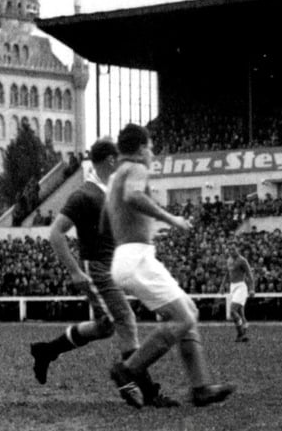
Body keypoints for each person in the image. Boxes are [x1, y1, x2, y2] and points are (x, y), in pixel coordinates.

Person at [29, 139, 177, 407]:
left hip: (112, 267)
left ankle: (46, 351)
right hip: (97, 268)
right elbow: (55, 233)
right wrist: (74, 271)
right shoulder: (84, 195)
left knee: (105, 326)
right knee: (125, 319)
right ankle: (145, 390)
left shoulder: (109, 192)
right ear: (110, 160)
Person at [105, 124, 234, 408]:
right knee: (182, 319)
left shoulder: (115, 176)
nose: (151, 153)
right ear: (141, 149)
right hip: (136, 258)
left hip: (128, 256)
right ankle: (128, 369)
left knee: (188, 310)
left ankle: (201, 387)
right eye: (150, 147)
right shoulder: (136, 168)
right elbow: (134, 196)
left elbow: (112, 216)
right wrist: (171, 219)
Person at [219, 240, 256, 342]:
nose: (231, 251)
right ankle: (243, 330)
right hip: (232, 287)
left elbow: (249, 275)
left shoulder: (242, 260)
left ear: (237, 249)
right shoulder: (229, 260)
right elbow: (227, 274)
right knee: (240, 312)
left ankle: (240, 333)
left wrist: (252, 289)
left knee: (232, 310)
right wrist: (222, 286)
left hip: (241, 287)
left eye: (233, 249)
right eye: (230, 249)